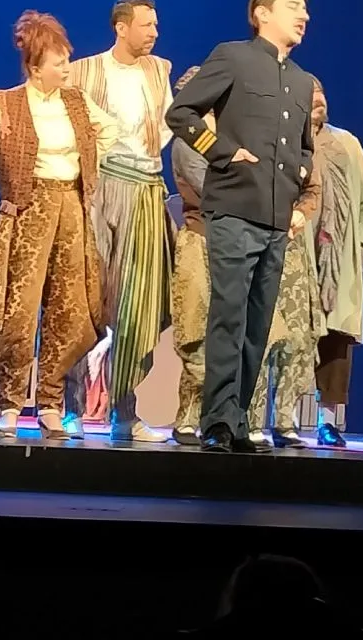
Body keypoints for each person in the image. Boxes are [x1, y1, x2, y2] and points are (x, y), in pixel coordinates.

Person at [165, 0, 316, 453]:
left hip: (276, 218)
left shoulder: (302, 80)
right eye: (293, 6)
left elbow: (305, 147)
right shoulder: (233, 57)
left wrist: (300, 174)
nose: (304, 16)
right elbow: (181, 114)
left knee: (258, 324)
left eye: (305, 9)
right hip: (233, 209)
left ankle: (241, 419)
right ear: (262, 13)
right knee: (228, 317)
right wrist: (224, 152)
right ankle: (217, 421)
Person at [0, 11, 118, 440]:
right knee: (18, 310)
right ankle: (9, 405)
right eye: (59, 62)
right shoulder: (5, 103)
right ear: (35, 66)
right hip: (27, 209)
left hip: (71, 206)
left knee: (68, 307)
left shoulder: (76, 101)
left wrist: (88, 163)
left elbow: (109, 130)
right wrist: (0, 166)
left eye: (66, 60)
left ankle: (50, 403)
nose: (66, 68)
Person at [66, 0, 175, 442]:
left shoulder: (159, 70)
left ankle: (125, 414)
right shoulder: (84, 71)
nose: (154, 33)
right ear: (121, 27)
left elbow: (166, 127)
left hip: (143, 185)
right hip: (97, 185)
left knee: (137, 302)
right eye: (147, 25)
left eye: (156, 25)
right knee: (84, 293)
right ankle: (69, 408)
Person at [310, 78, 363, 447]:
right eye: (311, 95)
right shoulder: (286, 140)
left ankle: (327, 421)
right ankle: (281, 418)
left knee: (335, 340)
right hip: (301, 253)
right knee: (291, 337)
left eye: (321, 93)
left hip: (340, 257)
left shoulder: (347, 143)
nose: (318, 100)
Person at [247, 152, 321, 448]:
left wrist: (302, 210)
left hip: (292, 249)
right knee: (260, 336)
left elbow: (312, 187)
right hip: (255, 241)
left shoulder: (300, 146)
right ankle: (251, 421)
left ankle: (284, 420)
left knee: (296, 338)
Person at [169, 65, 211, 444]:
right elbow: (210, 189)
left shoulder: (228, 137)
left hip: (232, 243)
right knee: (196, 332)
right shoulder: (188, 142)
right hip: (200, 241)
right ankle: (188, 418)